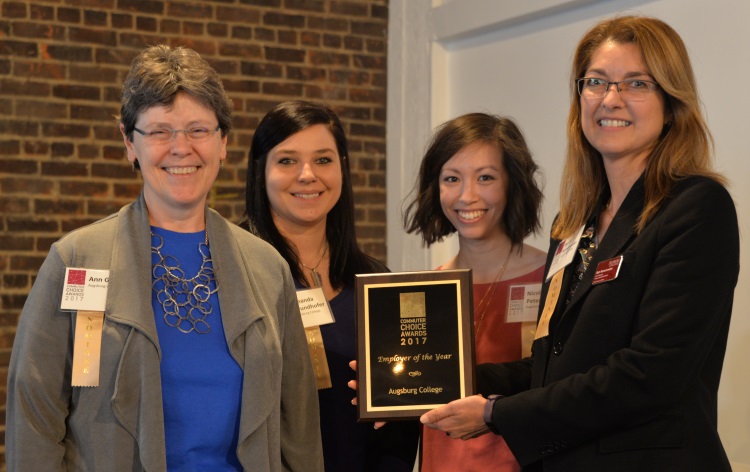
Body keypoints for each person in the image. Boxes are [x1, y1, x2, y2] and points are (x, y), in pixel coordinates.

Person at [420, 15, 740, 472]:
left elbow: (650, 375)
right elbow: (553, 364)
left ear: (671, 103)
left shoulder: (695, 208)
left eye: (636, 83)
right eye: (596, 82)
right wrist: (433, 378)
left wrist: (495, 414)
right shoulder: (573, 226)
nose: (611, 98)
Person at [6, 45, 323, 471]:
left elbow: (298, 424)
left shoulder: (267, 268)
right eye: (159, 131)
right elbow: (35, 414)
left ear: (223, 142)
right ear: (128, 142)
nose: (181, 148)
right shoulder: (78, 259)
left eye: (198, 130)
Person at [241, 100, 419, 471]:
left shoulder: (376, 284)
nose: (308, 175)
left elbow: (398, 421)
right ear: (261, 171)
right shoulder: (231, 275)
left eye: (323, 159)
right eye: (287, 160)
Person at [402, 112, 546, 471]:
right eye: (452, 178)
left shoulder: (553, 279)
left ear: (512, 184)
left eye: (485, 178)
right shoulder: (422, 291)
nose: (467, 196)